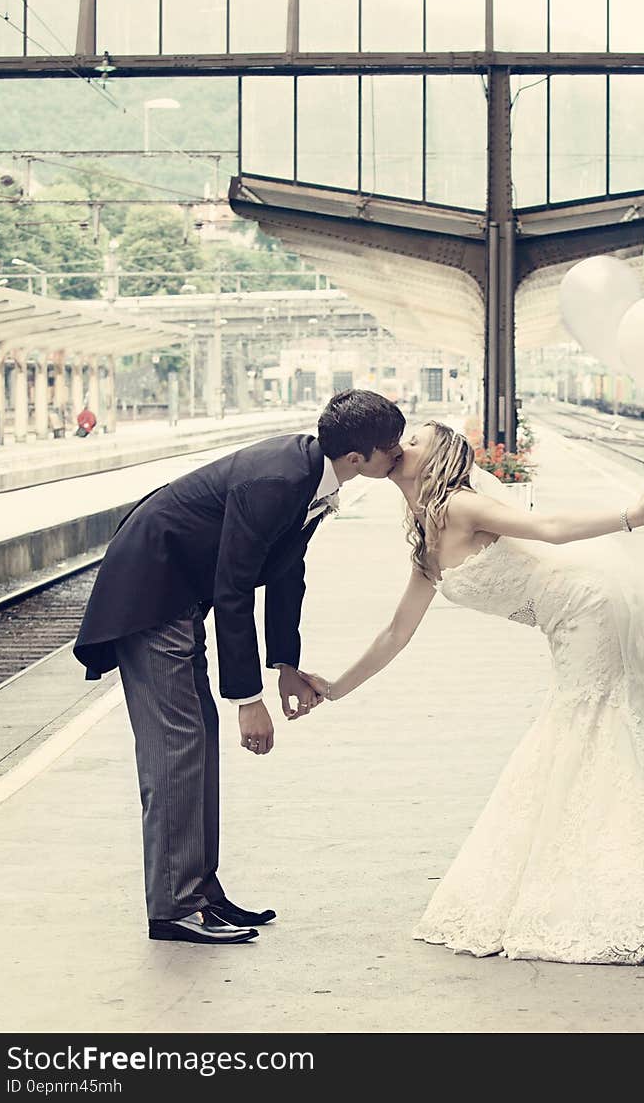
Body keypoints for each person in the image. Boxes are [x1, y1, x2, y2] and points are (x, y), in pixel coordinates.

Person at [302, 421, 644, 965]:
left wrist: (633, 516)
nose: (401, 446)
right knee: (603, 728)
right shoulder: (425, 535)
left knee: (595, 726)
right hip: (568, 618)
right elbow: (397, 632)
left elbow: (550, 527)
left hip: (590, 607)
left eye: (415, 441)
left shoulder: (463, 506)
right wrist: (335, 688)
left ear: (440, 459)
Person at [73, 390, 405, 945]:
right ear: (357, 459)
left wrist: (286, 665)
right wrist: (247, 700)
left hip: (177, 596)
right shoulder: (278, 481)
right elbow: (233, 590)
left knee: (196, 743)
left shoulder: (310, 476)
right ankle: (174, 906)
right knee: (179, 748)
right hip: (150, 598)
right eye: (390, 451)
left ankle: (201, 894)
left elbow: (284, 574)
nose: (397, 458)